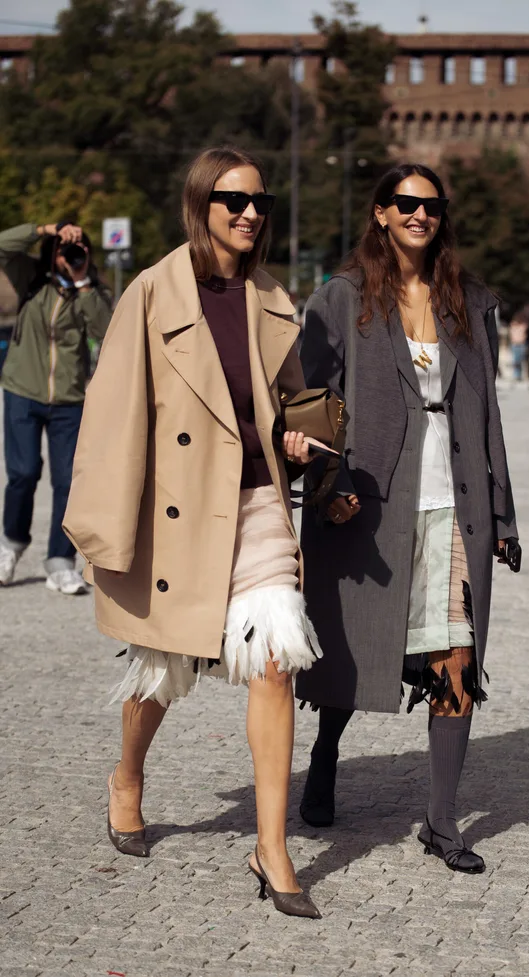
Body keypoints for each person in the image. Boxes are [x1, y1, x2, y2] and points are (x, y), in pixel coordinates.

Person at [63, 147, 323, 919]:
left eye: (260, 201)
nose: (250, 213)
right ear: (200, 204)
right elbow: (113, 419)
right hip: (179, 509)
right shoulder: (150, 293)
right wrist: (107, 530)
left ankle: (271, 845)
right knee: (164, 666)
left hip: (255, 502)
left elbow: (293, 401)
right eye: (233, 200)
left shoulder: (273, 298)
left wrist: (302, 444)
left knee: (277, 659)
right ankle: (128, 777)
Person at [295, 163, 520, 874]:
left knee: (457, 655)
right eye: (406, 203)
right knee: (357, 647)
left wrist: (504, 511)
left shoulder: (468, 301)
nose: (420, 214)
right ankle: (326, 751)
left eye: (430, 205)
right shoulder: (342, 297)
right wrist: (327, 482)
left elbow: (487, 413)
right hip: (369, 500)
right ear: (381, 212)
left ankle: (443, 819)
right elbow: (309, 399)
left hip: (456, 504)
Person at [0, 221, 112, 591]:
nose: (72, 255)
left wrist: (82, 282)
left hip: (70, 400)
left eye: (80, 249)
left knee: (67, 482)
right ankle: (11, 545)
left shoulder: (92, 291)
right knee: (23, 474)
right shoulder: (30, 277)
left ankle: (60, 561)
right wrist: (46, 229)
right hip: (22, 390)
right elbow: (3, 246)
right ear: (54, 251)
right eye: (66, 249)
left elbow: (106, 332)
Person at [508, 311, 528, 383]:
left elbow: (525, 331)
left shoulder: (523, 325)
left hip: (521, 344)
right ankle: (516, 375)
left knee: (520, 360)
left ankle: (519, 374)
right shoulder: (513, 325)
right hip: (515, 344)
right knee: (516, 360)